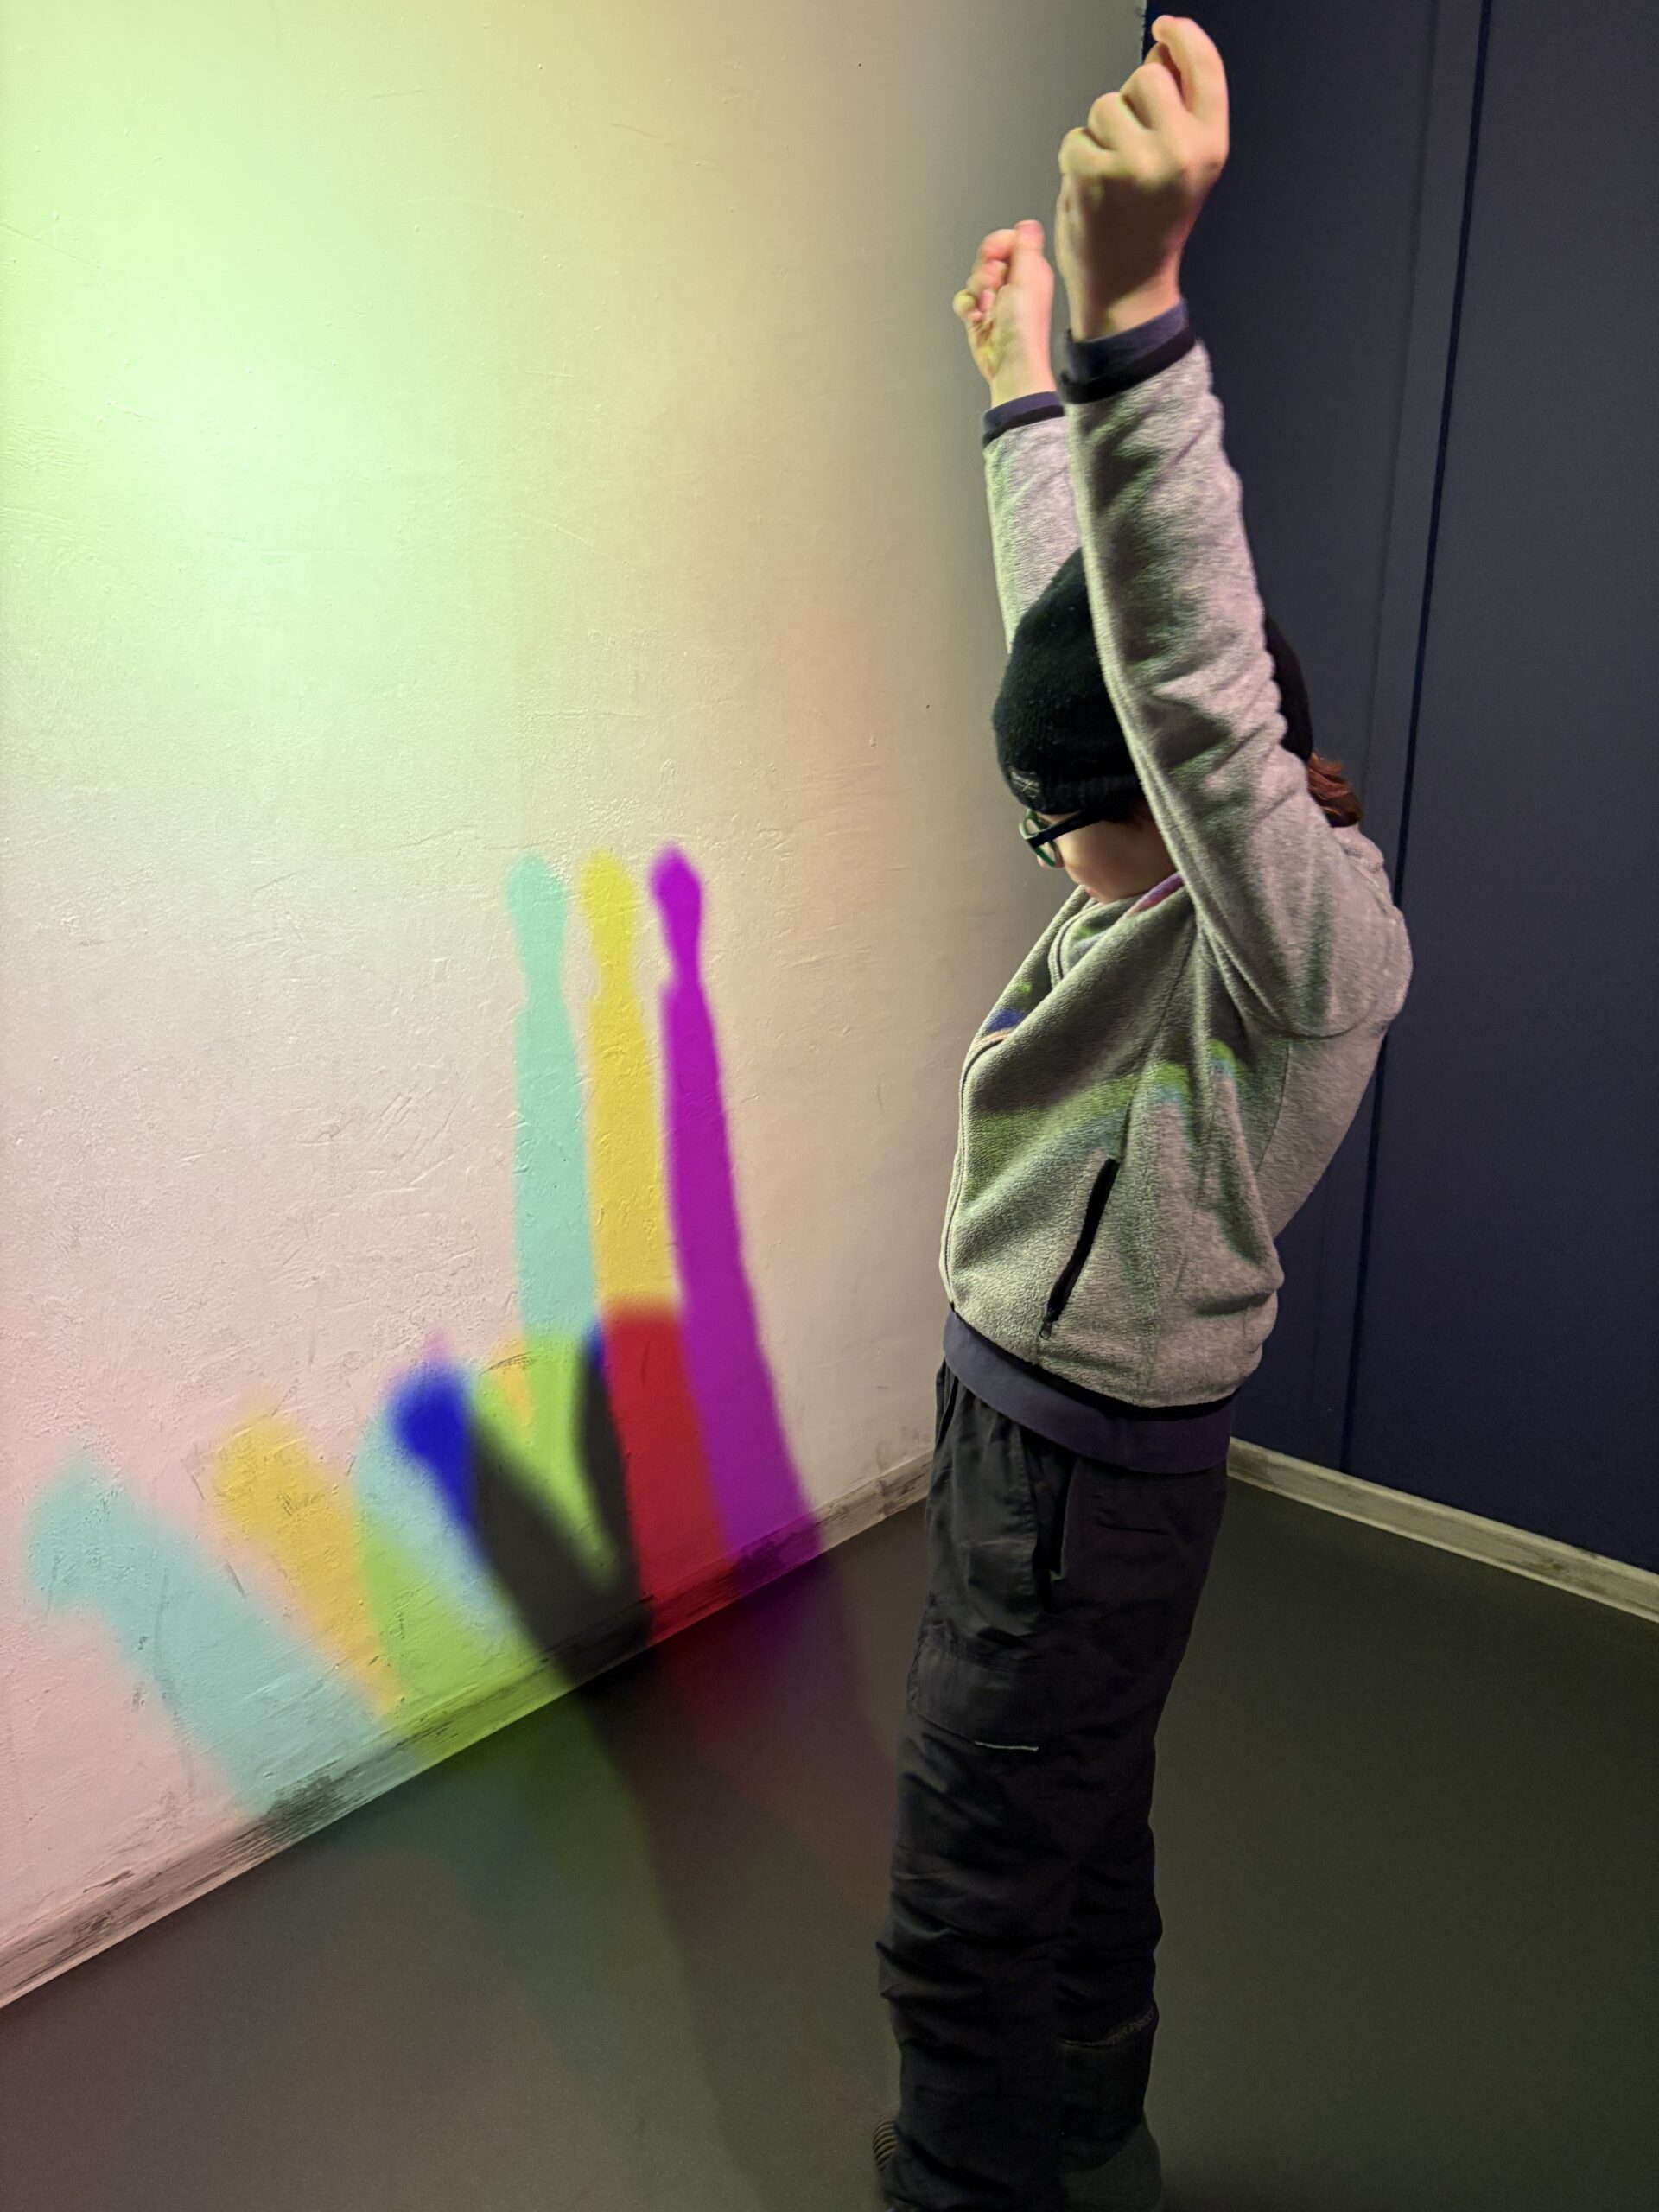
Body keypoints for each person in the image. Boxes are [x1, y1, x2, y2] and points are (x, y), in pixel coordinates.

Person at [872, 19, 1413, 2212]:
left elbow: (1177, 677)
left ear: (1191, 802)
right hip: (1016, 1412)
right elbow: (1086, 625)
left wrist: (1133, 319)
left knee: (966, 1901)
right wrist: (1024, 387)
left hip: (1094, 1463)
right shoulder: (1146, 847)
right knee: (1075, 1834)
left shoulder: (1295, 943)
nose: (1052, 861)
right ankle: (1095, 2148)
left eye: (1067, 826)